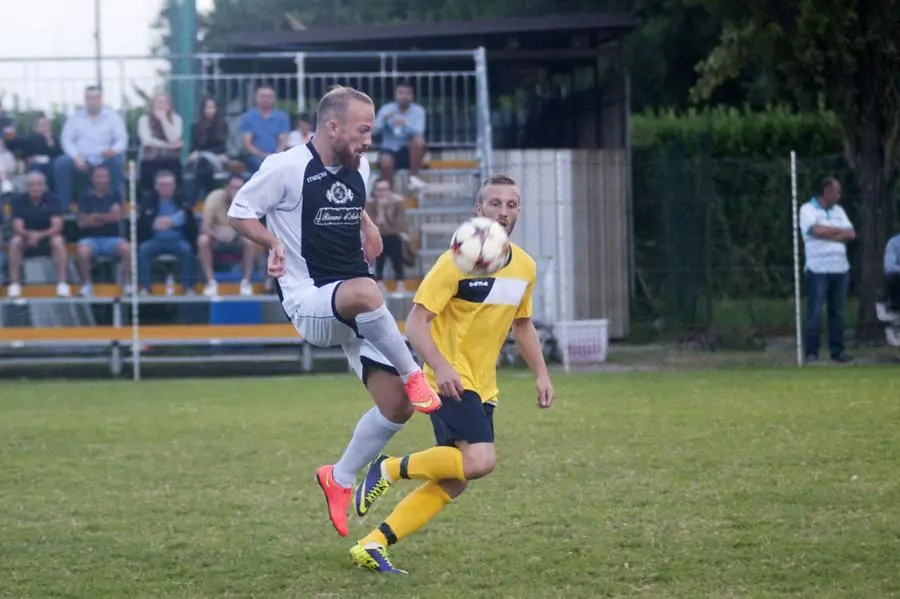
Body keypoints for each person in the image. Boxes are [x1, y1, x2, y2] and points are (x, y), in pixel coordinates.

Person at [226, 86, 443, 537]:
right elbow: (238, 212)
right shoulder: (284, 167)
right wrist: (272, 241)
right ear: (332, 127)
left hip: (352, 306)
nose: (370, 140)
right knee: (367, 292)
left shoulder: (356, 164)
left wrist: (368, 223)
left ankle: (339, 478)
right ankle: (414, 373)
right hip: (310, 302)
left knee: (397, 408)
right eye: (363, 130)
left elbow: (346, 200)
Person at [348, 174, 556, 574]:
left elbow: (523, 324)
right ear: (478, 211)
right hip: (448, 378)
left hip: (484, 385)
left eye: (512, 204)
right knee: (479, 461)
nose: (504, 211)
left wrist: (541, 375)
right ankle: (389, 467)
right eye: (495, 203)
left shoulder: (525, 266)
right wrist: (440, 367)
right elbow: (415, 323)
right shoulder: (455, 261)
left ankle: (372, 544)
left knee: (455, 478)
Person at [798, 176, 855, 363]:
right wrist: (838, 232)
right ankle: (811, 353)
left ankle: (837, 351)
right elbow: (815, 231)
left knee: (837, 312)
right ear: (826, 192)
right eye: (836, 191)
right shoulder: (807, 209)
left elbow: (851, 234)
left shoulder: (839, 210)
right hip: (818, 269)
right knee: (815, 311)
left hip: (840, 269)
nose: (839, 195)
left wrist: (828, 232)